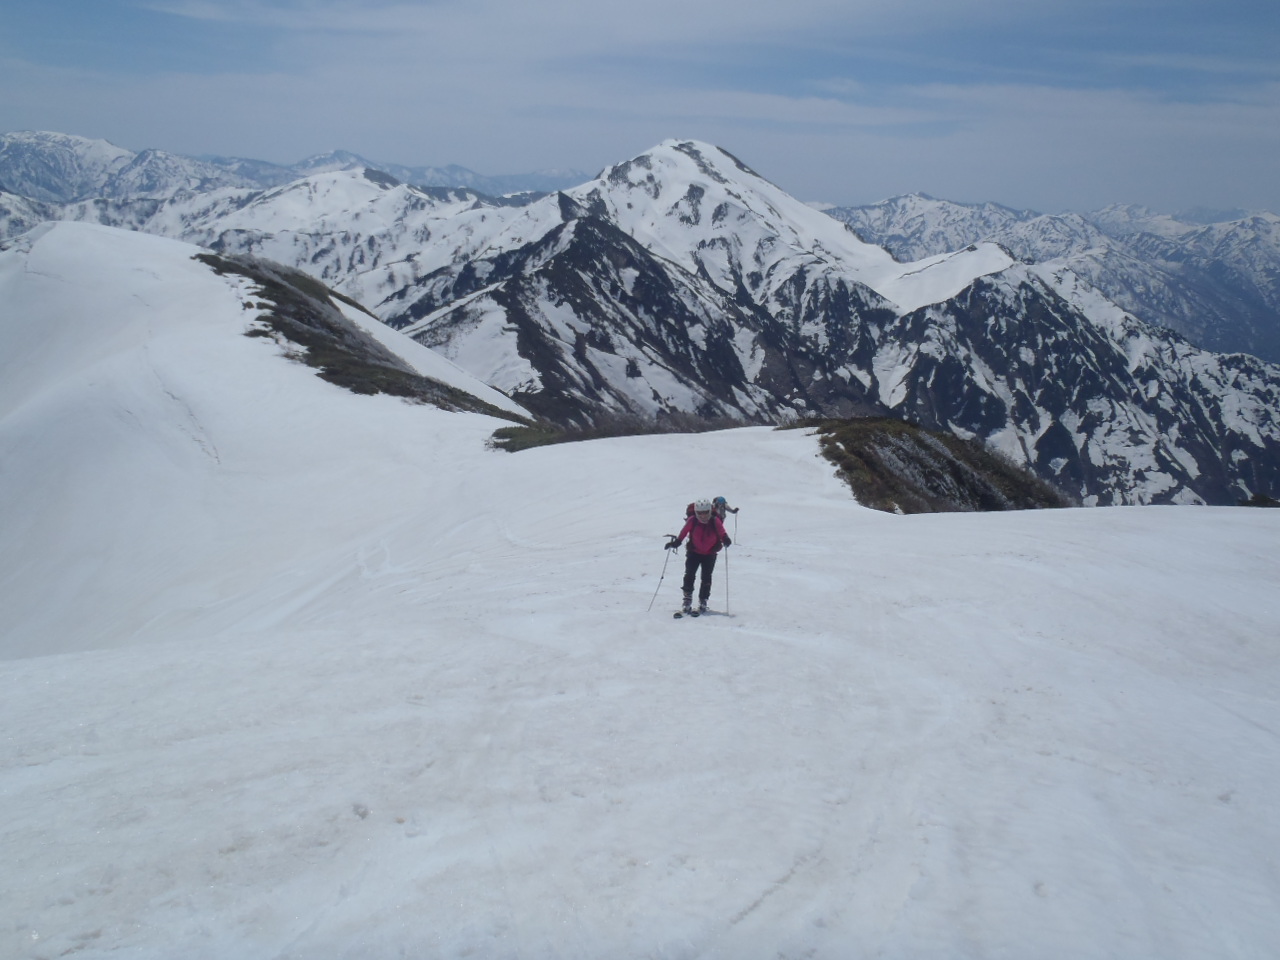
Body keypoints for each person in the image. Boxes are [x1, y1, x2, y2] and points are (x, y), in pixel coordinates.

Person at [667, 498, 731, 615]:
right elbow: (684, 532)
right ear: (696, 512)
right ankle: (687, 599)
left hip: (710, 554)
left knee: (706, 578)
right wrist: (677, 542)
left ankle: (703, 601)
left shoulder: (715, 521)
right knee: (689, 575)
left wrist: (726, 539)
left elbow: (722, 532)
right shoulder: (692, 520)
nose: (703, 515)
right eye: (700, 513)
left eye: (705, 512)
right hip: (694, 552)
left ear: (710, 511)